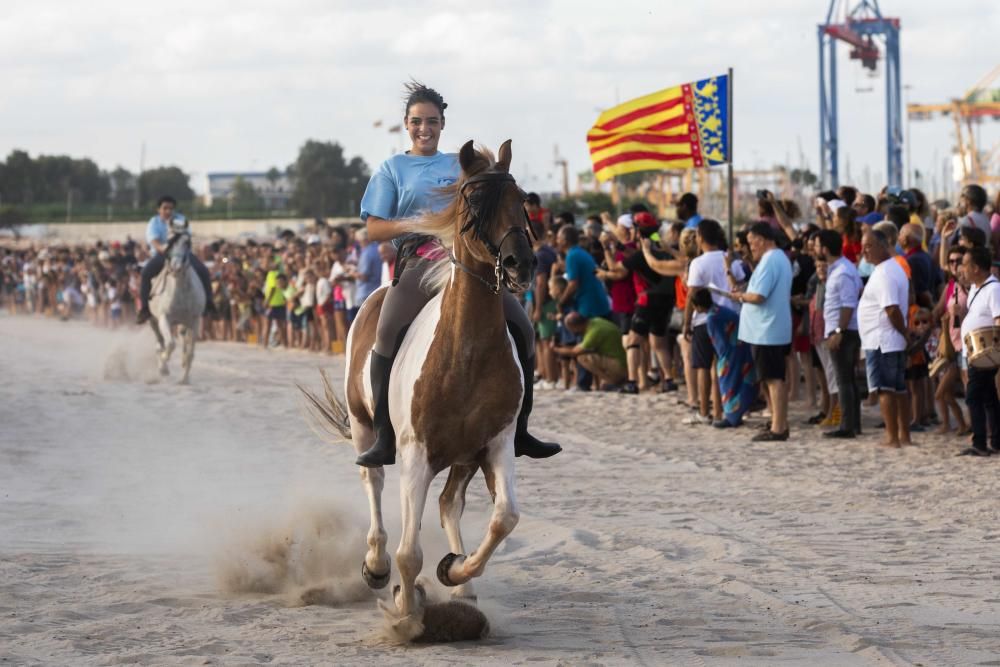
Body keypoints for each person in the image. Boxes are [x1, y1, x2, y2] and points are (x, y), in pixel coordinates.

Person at [355, 81, 560, 467]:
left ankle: (521, 429)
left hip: (466, 262)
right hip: (419, 261)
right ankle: (384, 434)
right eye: (417, 121)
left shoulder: (459, 165)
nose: (424, 128)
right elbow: (374, 229)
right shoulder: (392, 169)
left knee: (524, 328)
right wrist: (418, 223)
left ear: (443, 123)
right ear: (406, 124)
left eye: (432, 121)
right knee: (386, 330)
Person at [734, 222, 793, 442]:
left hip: (767, 329)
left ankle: (779, 427)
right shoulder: (779, 258)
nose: (751, 247)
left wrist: (738, 296)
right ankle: (779, 422)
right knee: (771, 377)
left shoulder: (770, 260)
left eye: (752, 242)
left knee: (773, 378)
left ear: (763, 239)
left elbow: (759, 296)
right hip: (770, 328)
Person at [857, 229, 911, 448]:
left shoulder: (885, 273)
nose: (864, 251)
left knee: (885, 389)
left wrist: (904, 332)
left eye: (868, 246)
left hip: (883, 340)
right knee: (898, 389)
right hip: (889, 339)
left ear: (883, 245)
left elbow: (891, 309)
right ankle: (903, 436)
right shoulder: (891, 269)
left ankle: (892, 437)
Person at [683, 219, 734, 425]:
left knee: (704, 366)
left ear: (701, 238)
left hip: (705, 318)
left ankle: (704, 411)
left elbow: (692, 295)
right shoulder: (729, 258)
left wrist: (686, 323)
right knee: (721, 365)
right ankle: (721, 411)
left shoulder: (699, 263)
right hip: (729, 316)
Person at [136, 195, 213, 324]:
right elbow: (154, 241)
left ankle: (209, 305)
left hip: (183, 254)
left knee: (204, 271)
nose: (168, 211)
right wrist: (163, 249)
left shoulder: (181, 220)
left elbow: (186, 237)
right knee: (145, 274)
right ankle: (144, 309)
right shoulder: (154, 222)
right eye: (165, 208)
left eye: (171, 208)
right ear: (158, 209)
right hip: (162, 254)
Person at [818, 229, 863, 439]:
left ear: (825, 249)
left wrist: (838, 331)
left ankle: (848, 425)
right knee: (848, 379)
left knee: (844, 380)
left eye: (818, 245)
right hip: (845, 329)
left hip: (843, 331)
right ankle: (853, 423)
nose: (815, 249)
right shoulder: (843, 268)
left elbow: (848, 304)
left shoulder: (842, 271)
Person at [957, 246, 1000, 456]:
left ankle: (980, 442)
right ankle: (996, 440)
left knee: (973, 396)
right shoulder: (976, 287)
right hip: (974, 351)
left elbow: (998, 319)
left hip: (985, 352)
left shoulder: (993, 289)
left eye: (964, 265)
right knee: (989, 397)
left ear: (975, 267)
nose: (961, 269)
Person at [693, 288, 756, 428]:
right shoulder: (720, 309)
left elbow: (719, 342)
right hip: (741, 345)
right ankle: (738, 413)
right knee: (741, 379)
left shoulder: (711, 318)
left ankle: (732, 417)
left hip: (730, 351)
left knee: (728, 383)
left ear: (698, 307)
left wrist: (721, 361)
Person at [554, 312, 628, 389]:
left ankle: (612, 381)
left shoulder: (593, 333)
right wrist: (563, 347)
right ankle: (613, 380)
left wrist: (556, 349)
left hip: (620, 365)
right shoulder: (596, 321)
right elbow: (578, 348)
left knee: (583, 357)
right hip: (622, 360)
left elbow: (574, 352)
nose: (572, 332)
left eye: (571, 330)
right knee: (587, 354)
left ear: (576, 327)